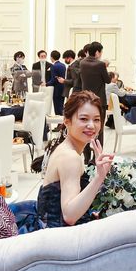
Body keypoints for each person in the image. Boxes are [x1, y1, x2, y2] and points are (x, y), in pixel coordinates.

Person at [37, 91, 114, 228]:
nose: (91, 125)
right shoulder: (70, 157)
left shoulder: (64, 147)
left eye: (96, 119)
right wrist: (99, 177)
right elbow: (69, 216)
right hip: (60, 236)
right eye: (84, 119)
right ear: (67, 121)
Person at [79, 42, 111, 145]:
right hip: (99, 100)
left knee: (85, 126)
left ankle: (86, 151)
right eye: (101, 52)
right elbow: (107, 80)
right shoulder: (100, 64)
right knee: (99, 128)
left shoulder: (82, 63)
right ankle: (98, 151)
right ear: (97, 52)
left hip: (85, 99)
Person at [47, 50, 66, 115]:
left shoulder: (53, 66)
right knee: (61, 106)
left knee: (57, 107)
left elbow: (53, 80)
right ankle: (62, 120)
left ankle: (59, 120)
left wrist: (46, 84)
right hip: (63, 88)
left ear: (51, 57)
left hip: (56, 89)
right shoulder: (63, 65)